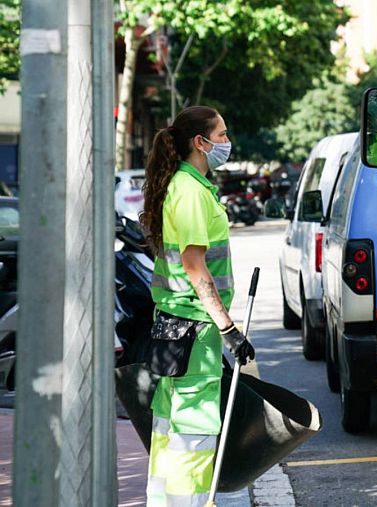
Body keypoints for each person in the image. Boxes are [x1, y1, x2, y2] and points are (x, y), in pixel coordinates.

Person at [139, 106, 255, 506]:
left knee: (168, 426)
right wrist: (228, 329)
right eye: (221, 135)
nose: (227, 142)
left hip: (175, 325)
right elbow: (193, 264)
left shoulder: (188, 186)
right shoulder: (189, 192)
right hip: (195, 329)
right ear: (200, 143)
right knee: (194, 431)